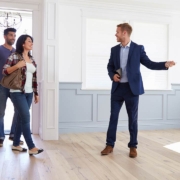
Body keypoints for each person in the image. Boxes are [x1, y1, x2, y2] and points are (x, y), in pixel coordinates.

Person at [101, 23, 175, 158]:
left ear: (124, 33)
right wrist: (112, 75)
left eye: (117, 32)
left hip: (132, 90)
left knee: (133, 119)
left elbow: (150, 64)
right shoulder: (114, 50)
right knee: (113, 117)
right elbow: (110, 66)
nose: (115, 34)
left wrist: (165, 64)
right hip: (117, 89)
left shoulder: (138, 49)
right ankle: (109, 144)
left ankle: (133, 146)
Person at [2, 34, 43, 155]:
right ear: (23, 43)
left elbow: (34, 77)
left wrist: (36, 93)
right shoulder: (14, 56)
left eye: (32, 41)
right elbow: (5, 70)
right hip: (17, 92)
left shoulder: (32, 59)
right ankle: (31, 146)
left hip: (29, 93)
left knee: (20, 118)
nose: (32, 43)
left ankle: (15, 144)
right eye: (29, 41)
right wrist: (17, 65)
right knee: (26, 118)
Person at [0, 28, 23, 147]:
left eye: (14, 35)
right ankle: (0, 136)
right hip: (1, 85)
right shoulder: (0, 49)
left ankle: (14, 134)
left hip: (15, 86)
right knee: (0, 111)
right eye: (10, 35)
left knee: (19, 110)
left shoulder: (16, 52)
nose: (13, 37)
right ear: (5, 36)